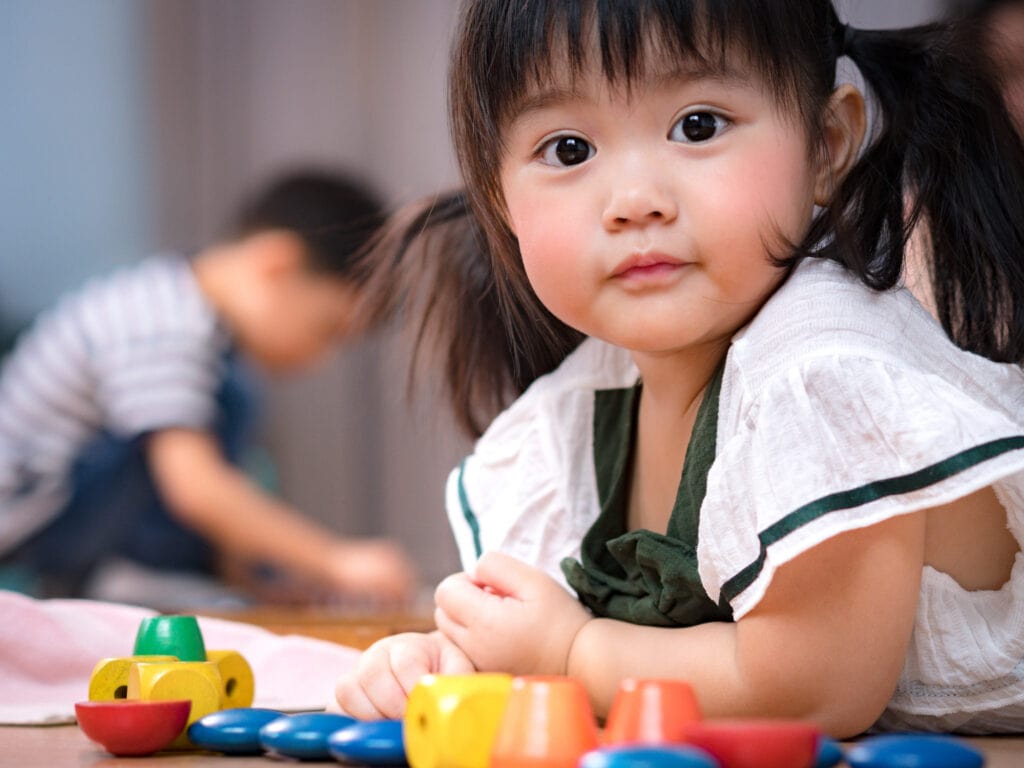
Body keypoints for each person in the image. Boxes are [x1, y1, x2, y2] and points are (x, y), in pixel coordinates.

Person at [334, 0, 1024, 738]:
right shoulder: (586, 402)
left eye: (698, 125)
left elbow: (811, 691)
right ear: (500, 198)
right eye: (568, 149)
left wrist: (567, 651)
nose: (635, 203)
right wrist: (446, 662)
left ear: (827, 145)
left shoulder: (822, 368)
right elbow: (555, 634)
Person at [0, 169, 416, 604]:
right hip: (27, 542)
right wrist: (337, 560)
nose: (321, 359)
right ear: (277, 264)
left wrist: (259, 582)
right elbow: (196, 489)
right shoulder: (162, 322)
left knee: (224, 403)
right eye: (326, 330)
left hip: (77, 530)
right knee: (210, 422)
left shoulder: (192, 317)